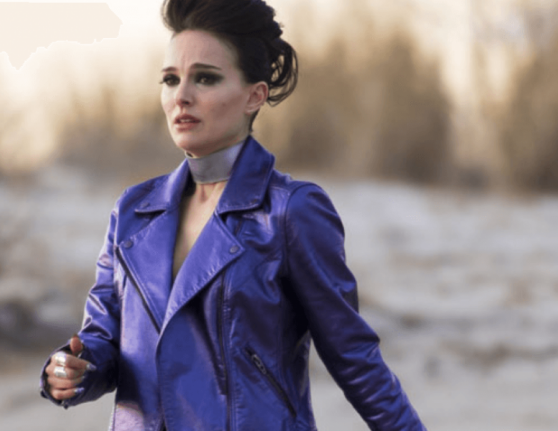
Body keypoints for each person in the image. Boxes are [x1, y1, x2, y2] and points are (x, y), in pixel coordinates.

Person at [40, 0, 427, 429]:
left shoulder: (290, 211)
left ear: (254, 95)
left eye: (205, 78)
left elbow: (353, 357)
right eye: (170, 79)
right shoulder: (133, 211)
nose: (181, 96)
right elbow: (104, 339)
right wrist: (74, 370)